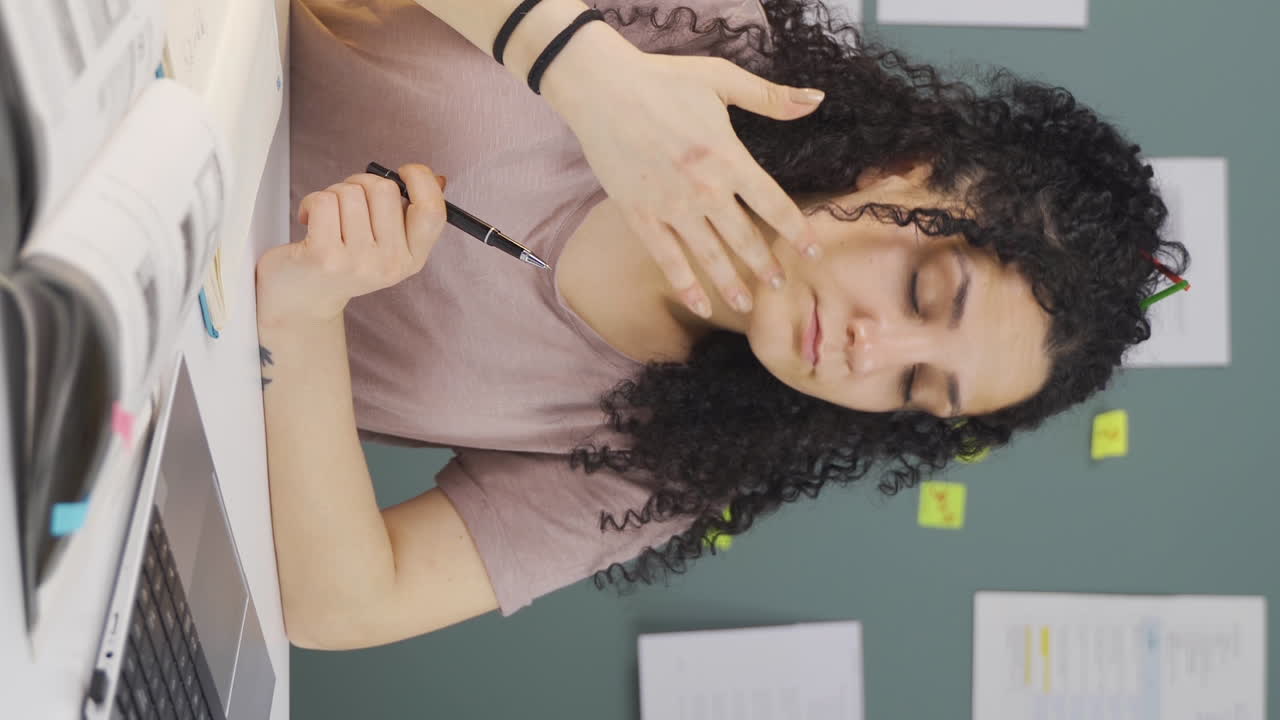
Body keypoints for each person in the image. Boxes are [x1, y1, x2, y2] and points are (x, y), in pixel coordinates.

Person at [259, 0, 1187, 650]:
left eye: (915, 387)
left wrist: (301, 324)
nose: (874, 351)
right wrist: (574, 63)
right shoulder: (710, 32)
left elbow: (342, 605)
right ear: (904, 170)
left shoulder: (667, 460)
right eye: (923, 293)